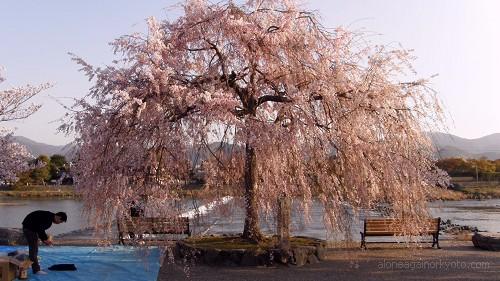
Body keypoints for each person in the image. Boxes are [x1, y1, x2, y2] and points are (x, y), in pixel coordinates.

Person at [22, 210, 67, 275]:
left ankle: (29, 266)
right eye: (60, 221)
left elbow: (40, 229)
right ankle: (36, 270)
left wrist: (45, 240)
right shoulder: (48, 220)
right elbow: (40, 230)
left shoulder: (49, 216)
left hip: (29, 228)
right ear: (58, 217)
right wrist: (46, 240)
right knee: (33, 250)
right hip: (29, 229)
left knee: (34, 250)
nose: (59, 223)